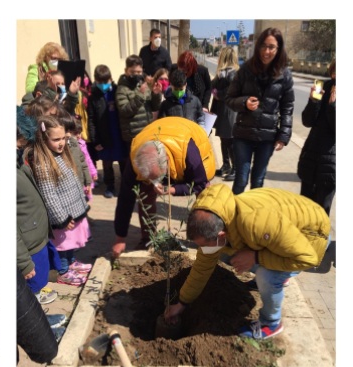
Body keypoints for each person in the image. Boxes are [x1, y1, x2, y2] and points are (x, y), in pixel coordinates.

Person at [164, 183, 330, 340]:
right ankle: (276, 274)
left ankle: (271, 323)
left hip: (311, 235)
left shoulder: (255, 224)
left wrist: (256, 257)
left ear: (221, 235)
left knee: (267, 276)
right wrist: (182, 303)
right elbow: (202, 268)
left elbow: (308, 259)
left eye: (203, 245)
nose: (202, 249)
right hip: (280, 233)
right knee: (225, 254)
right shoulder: (217, 216)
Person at [112, 117, 215, 258]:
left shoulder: (190, 154)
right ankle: (148, 240)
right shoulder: (135, 158)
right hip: (161, 140)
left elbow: (200, 184)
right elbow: (125, 197)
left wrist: (173, 190)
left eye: (157, 177)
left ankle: (205, 238)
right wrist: (120, 237)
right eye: (150, 178)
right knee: (145, 193)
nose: (155, 182)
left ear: (166, 160)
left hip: (189, 139)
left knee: (204, 197)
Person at [225, 27, 294, 195]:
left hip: (267, 138)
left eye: (271, 47)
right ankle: (236, 216)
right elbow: (229, 99)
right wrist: (244, 103)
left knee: (258, 181)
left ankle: (252, 218)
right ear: (257, 47)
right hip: (243, 135)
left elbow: (288, 107)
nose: (266, 51)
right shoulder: (246, 70)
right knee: (241, 179)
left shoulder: (285, 75)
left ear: (278, 49)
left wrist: (283, 135)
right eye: (263, 46)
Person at [24, 115, 90, 287]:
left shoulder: (61, 155)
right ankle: (63, 271)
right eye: (56, 139)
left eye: (63, 138)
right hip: (62, 216)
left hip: (72, 211)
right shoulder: (43, 163)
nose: (61, 143)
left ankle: (72, 261)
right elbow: (49, 195)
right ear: (44, 139)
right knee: (63, 244)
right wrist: (61, 218)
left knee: (71, 243)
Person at [16, 106, 60, 305]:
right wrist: (24, 262)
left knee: (39, 282)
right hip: (29, 247)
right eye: (19, 142)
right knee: (30, 294)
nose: (20, 146)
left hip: (37, 238)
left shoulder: (19, 162)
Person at [298, 59, 335, 216]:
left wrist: (333, 106)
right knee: (304, 209)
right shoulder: (323, 87)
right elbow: (307, 121)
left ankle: (322, 240)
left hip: (331, 162)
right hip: (311, 157)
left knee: (321, 212)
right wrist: (313, 101)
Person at [87, 64, 126, 199]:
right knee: (107, 163)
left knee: (123, 161)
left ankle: (125, 184)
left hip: (119, 134)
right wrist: (95, 140)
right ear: (95, 81)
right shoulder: (93, 97)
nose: (103, 85)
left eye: (106, 82)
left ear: (111, 79)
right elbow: (91, 120)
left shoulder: (117, 92)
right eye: (100, 82)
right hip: (104, 137)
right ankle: (110, 185)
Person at [115, 54, 162, 146]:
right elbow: (125, 111)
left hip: (147, 133)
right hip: (133, 136)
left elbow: (154, 107)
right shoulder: (122, 89)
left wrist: (156, 94)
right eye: (133, 72)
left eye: (139, 72)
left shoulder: (143, 85)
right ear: (126, 71)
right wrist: (140, 95)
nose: (136, 75)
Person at [211, 47, 240, 181]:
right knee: (224, 138)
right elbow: (212, 85)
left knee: (230, 140)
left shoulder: (233, 73)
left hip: (229, 111)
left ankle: (236, 168)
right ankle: (226, 165)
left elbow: (230, 91)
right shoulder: (223, 73)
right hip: (223, 110)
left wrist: (218, 94)